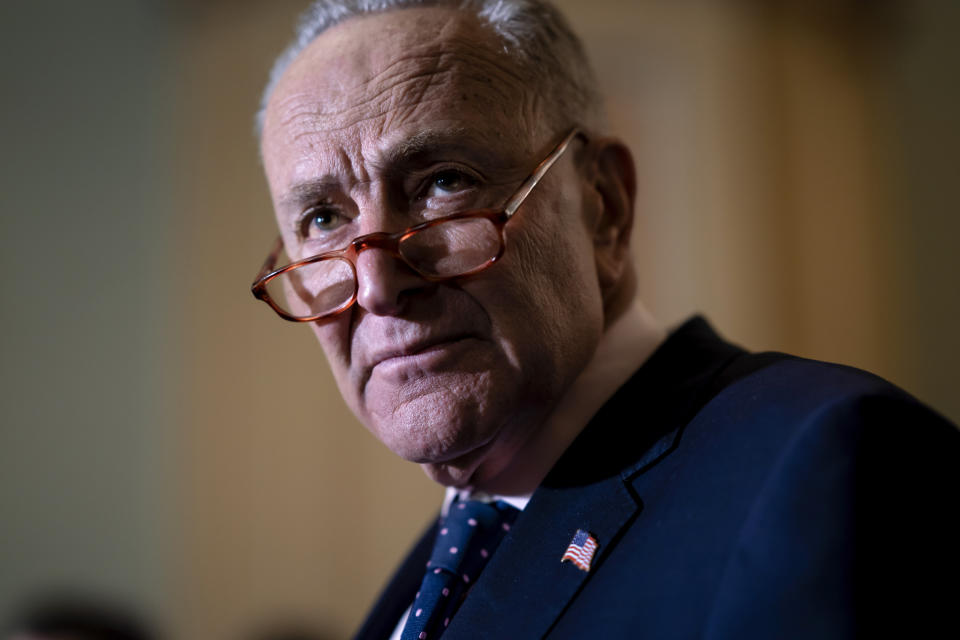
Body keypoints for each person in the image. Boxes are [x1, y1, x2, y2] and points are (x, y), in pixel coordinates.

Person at [250, 1, 959, 638]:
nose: (376, 285)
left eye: (443, 182)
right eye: (321, 218)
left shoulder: (832, 463)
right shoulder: (441, 567)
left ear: (604, 206)